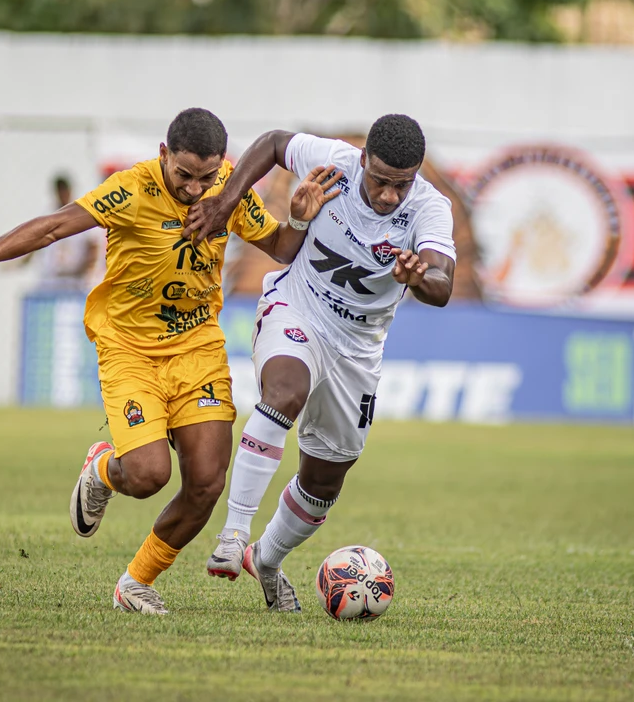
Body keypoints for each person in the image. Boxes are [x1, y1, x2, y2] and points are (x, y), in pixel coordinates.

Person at [0, 108, 342, 613]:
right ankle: (102, 470)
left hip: (197, 348)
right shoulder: (130, 189)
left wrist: (298, 216)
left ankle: (136, 583)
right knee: (146, 476)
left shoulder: (228, 190)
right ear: (163, 155)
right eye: (184, 174)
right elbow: (55, 226)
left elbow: (279, 246)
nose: (193, 187)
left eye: (205, 176)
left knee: (206, 482)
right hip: (130, 348)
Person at [183, 114, 456, 611]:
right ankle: (233, 533)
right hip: (298, 307)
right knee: (283, 393)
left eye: (402, 184)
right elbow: (270, 143)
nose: (391, 195)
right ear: (363, 160)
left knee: (326, 478)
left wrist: (420, 277)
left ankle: (264, 558)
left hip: (357, 349)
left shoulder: (429, 208)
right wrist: (224, 203)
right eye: (380, 181)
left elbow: (443, 284)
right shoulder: (333, 162)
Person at [27, 175, 102, 292]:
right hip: (51, 280)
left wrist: (87, 271)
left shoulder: (81, 212)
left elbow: (93, 245)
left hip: (76, 281)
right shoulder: (48, 214)